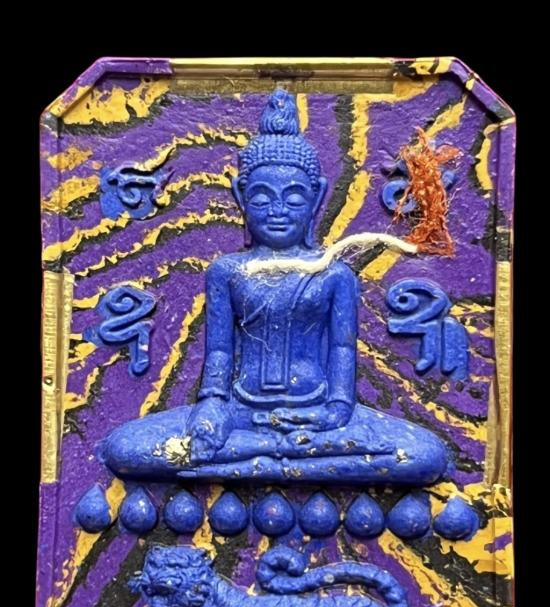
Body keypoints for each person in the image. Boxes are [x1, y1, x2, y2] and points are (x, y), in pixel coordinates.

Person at [101, 90, 447, 485]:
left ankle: (252, 458)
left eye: (293, 197)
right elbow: (219, 351)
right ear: (240, 196)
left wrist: (335, 412)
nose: (278, 211)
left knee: (425, 455)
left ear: (316, 197)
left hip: (316, 415)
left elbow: (341, 350)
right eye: (262, 198)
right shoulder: (228, 271)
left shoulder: (335, 274)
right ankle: (290, 457)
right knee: (125, 448)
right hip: (239, 413)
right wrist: (211, 408)